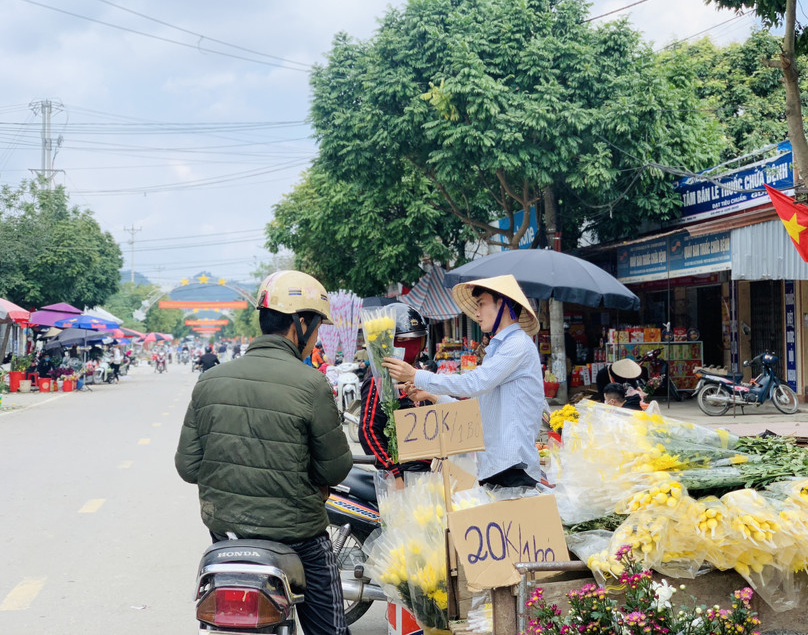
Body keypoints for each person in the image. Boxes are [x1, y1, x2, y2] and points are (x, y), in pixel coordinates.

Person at [175, 270, 352, 635]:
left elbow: (187, 467)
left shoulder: (209, 381)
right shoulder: (312, 383)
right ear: (299, 324)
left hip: (226, 534)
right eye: (317, 328)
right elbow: (335, 470)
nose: (315, 338)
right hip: (299, 536)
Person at [384, 274, 546, 489]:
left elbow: (475, 383)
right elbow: (475, 412)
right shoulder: (497, 350)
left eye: (481, 304)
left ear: (504, 304)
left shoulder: (517, 345)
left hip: (514, 468)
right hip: (497, 467)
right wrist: (432, 395)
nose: (476, 314)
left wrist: (416, 375)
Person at [360, 304, 434, 481]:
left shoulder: (421, 375)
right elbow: (368, 431)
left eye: (416, 341)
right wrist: (394, 472)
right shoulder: (378, 380)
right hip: (402, 475)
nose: (413, 349)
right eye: (405, 342)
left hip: (431, 472)